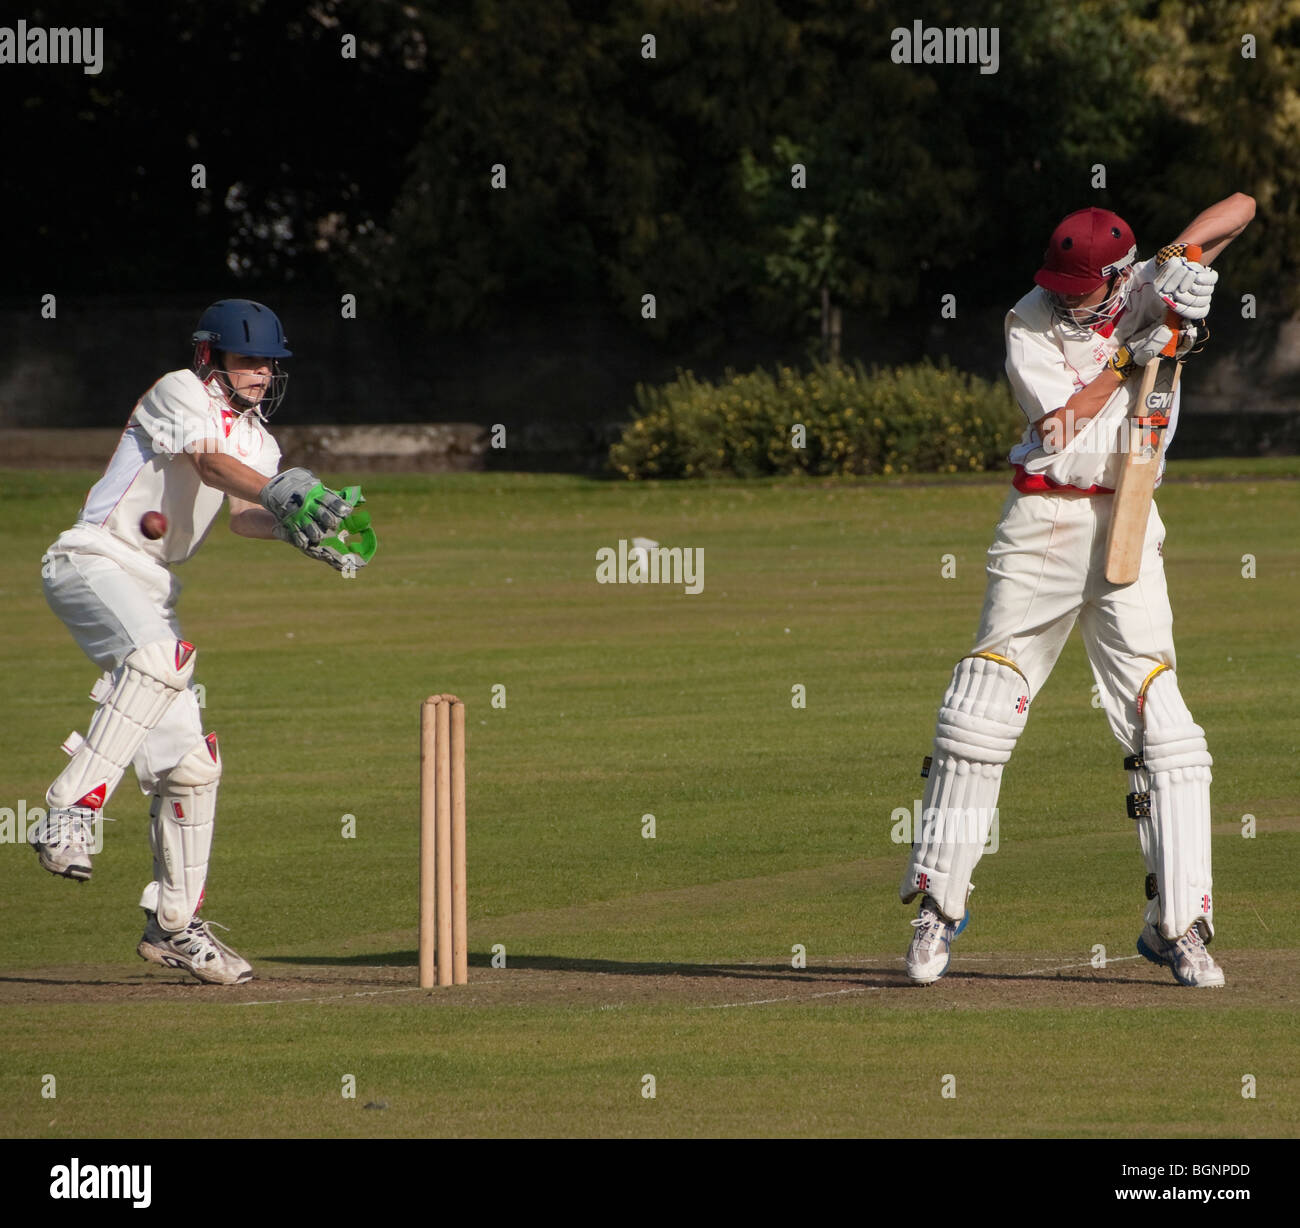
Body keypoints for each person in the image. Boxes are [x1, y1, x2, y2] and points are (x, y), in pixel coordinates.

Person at [900, 195, 1255, 988]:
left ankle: (1182, 925)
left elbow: (1242, 206)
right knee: (979, 710)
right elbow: (1068, 420)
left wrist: (1183, 276)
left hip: (1131, 524)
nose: (1063, 295)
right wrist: (1144, 346)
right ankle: (937, 909)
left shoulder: (1141, 286)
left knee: (1165, 727)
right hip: (1045, 523)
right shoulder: (1027, 322)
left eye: (1079, 286)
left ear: (1117, 273)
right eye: (1056, 283)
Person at [31, 299, 376, 984]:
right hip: (91, 559)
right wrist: (283, 491)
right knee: (161, 661)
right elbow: (211, 467)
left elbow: (246, 511)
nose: (261, 373)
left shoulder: (262, 442)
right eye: (248, 361)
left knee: (190, 768)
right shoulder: (177, 391)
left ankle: (173, 928)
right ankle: (68, 814)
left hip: (152, 585)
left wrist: (295, 529)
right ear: (210, 358)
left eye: (269, 362)